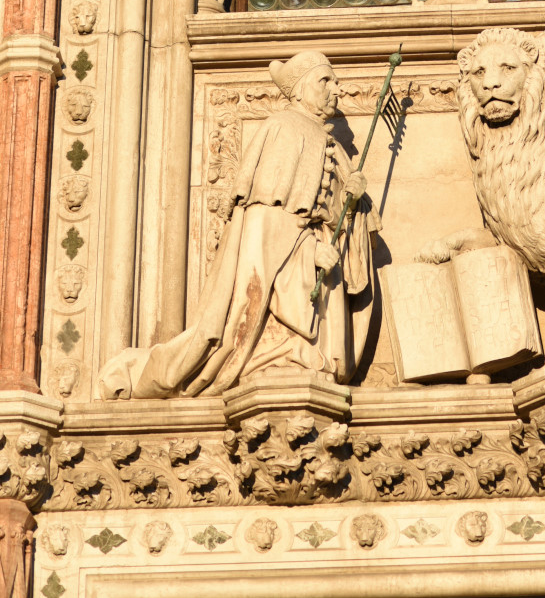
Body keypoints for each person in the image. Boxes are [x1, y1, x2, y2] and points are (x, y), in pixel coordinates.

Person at [98, 51, 379, 399]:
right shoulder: (284, 129)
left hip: (316, 264)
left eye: (335, 80)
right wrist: (309, 253)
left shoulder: (329, 143)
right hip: (290, 266)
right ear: (301, 89)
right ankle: (275, 357)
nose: (336, 88)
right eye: (325, 80)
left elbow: (333, 217)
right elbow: (264, 221)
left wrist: (352, 203)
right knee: (238, 346)